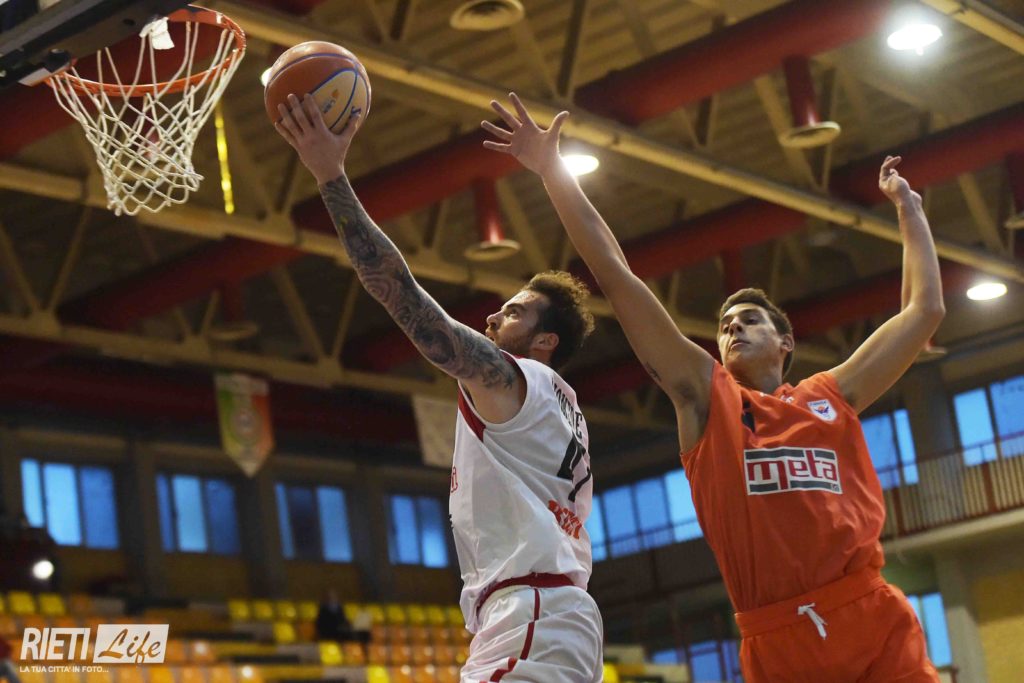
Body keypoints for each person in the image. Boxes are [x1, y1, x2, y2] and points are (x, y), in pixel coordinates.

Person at [482, 93, 943, 682]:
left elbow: (924, 310)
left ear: (786, 342)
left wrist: (909, 209)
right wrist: (552, 171)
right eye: (725, 326)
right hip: (779, 634)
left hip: (872, 613)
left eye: (749, 320)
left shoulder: (832, 396)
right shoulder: (706, 397)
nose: (733, 329)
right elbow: (618, 277)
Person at [274, 94, 604, 683]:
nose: (492, 317)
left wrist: (330, 176)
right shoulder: (561, 406)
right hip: (542, 615)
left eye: (514, 312)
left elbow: (402, 295)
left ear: (546, 340)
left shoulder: (519, 380)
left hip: (532, 614)